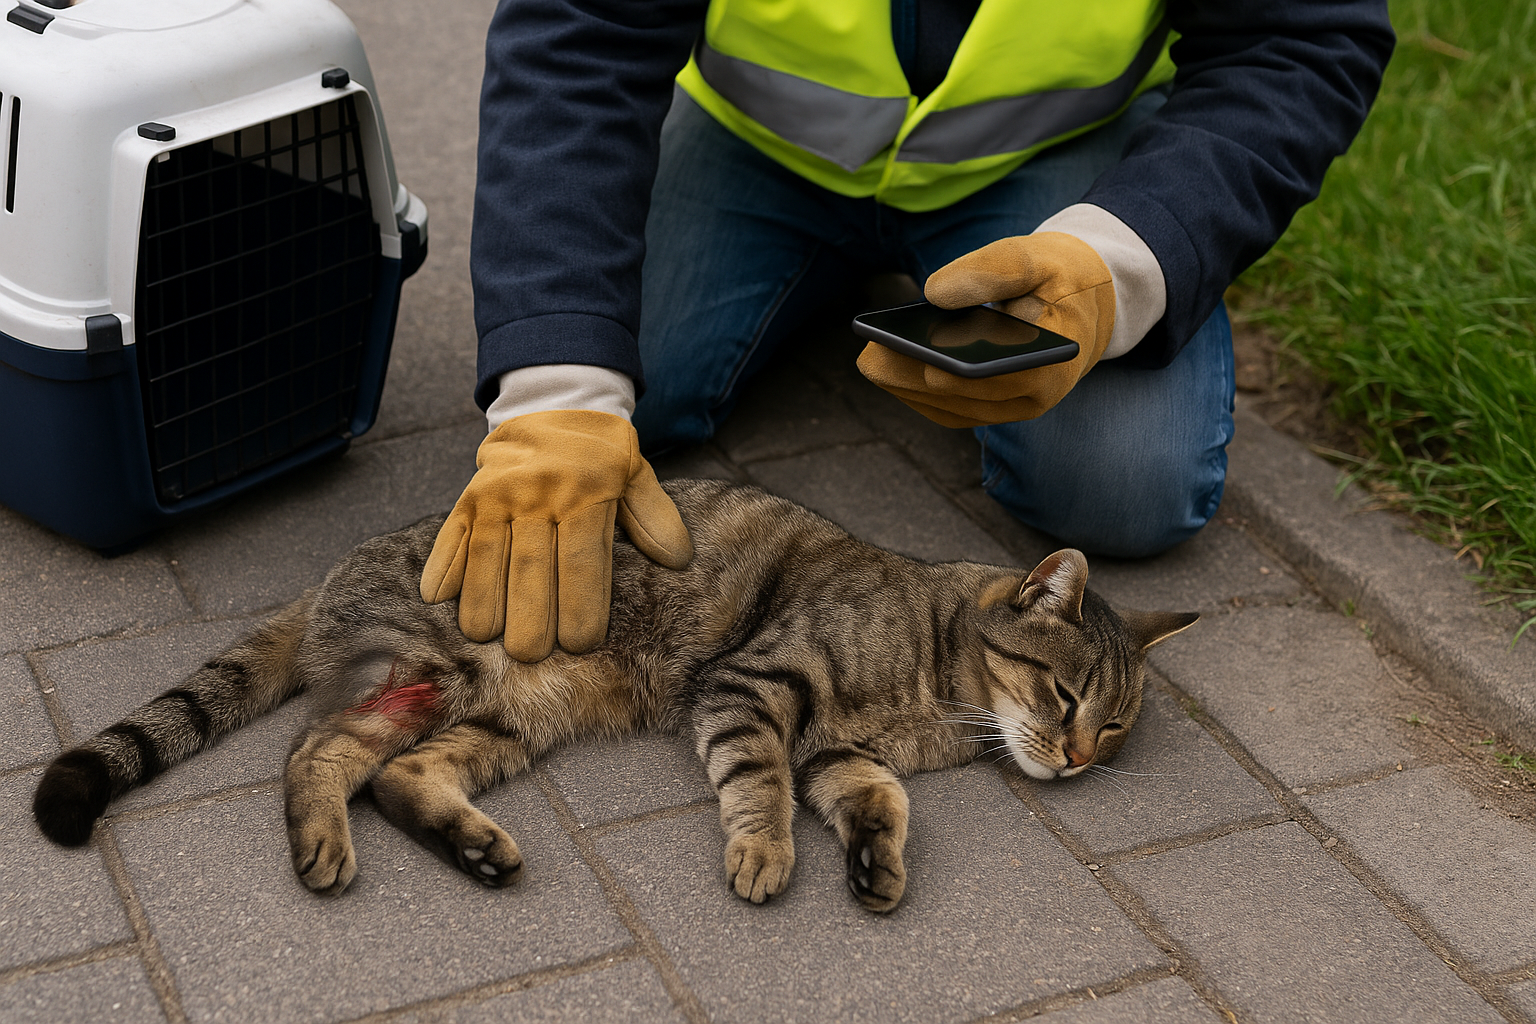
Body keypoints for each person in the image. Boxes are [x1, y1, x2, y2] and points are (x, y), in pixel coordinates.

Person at [420, 0, 1395, 662]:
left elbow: (1297, 42)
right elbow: (582, 32)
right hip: (765, 141)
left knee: (1123, 484)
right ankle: (823, 276)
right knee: (620, 367)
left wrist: (1120, 262)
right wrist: (556, 392)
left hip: (1045, 161)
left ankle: (902, 279)